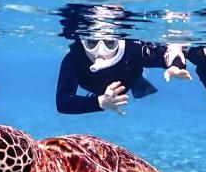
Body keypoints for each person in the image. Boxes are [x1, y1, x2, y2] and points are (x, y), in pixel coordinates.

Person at [56, 37, 191, 115]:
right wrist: (100, 102)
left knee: (134, 76)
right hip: (99, 91)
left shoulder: (133, 50)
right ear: (82, 42)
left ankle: (138, 81)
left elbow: (166, 55)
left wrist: (175, 65)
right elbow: (63, 103)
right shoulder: (74, 59)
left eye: (109, 43)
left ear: (118, 40)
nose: (100, 50)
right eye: (92, 42)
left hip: (130, 76)